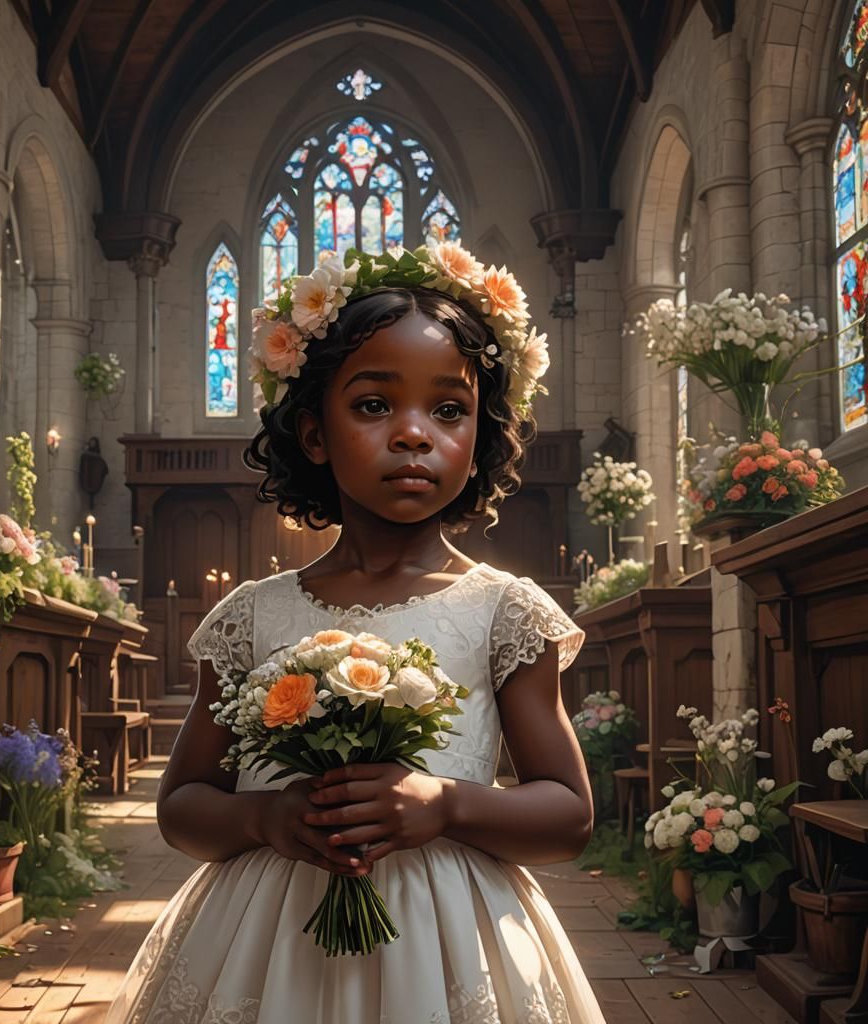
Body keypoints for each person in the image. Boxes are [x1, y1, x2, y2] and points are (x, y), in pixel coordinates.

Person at [106, 243, 605, 1023]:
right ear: (313, 434)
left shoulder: (505, 611)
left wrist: (446, 804)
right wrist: (263, 816)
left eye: (448, 409)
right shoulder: (253, 616)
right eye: (374, 405)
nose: (414, 434)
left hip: (450, 940)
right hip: (269, 941)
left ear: (479, 435)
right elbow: (181, 806)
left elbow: (569, 816)